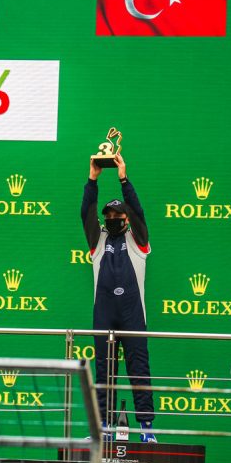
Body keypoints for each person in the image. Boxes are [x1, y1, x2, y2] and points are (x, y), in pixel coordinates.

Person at [81, 154, 157, 443]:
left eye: (117, 216)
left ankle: (147, 430)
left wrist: (124, 178)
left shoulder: (138, 241)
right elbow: (86, 212)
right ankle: (103, 429)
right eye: (108, 216)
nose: (112, 219)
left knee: (139, 370)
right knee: (104, 372)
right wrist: (92, 179)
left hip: (133, 316)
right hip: (104, 316)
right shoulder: (97, 240)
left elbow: (137, 211)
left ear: (126, 219)